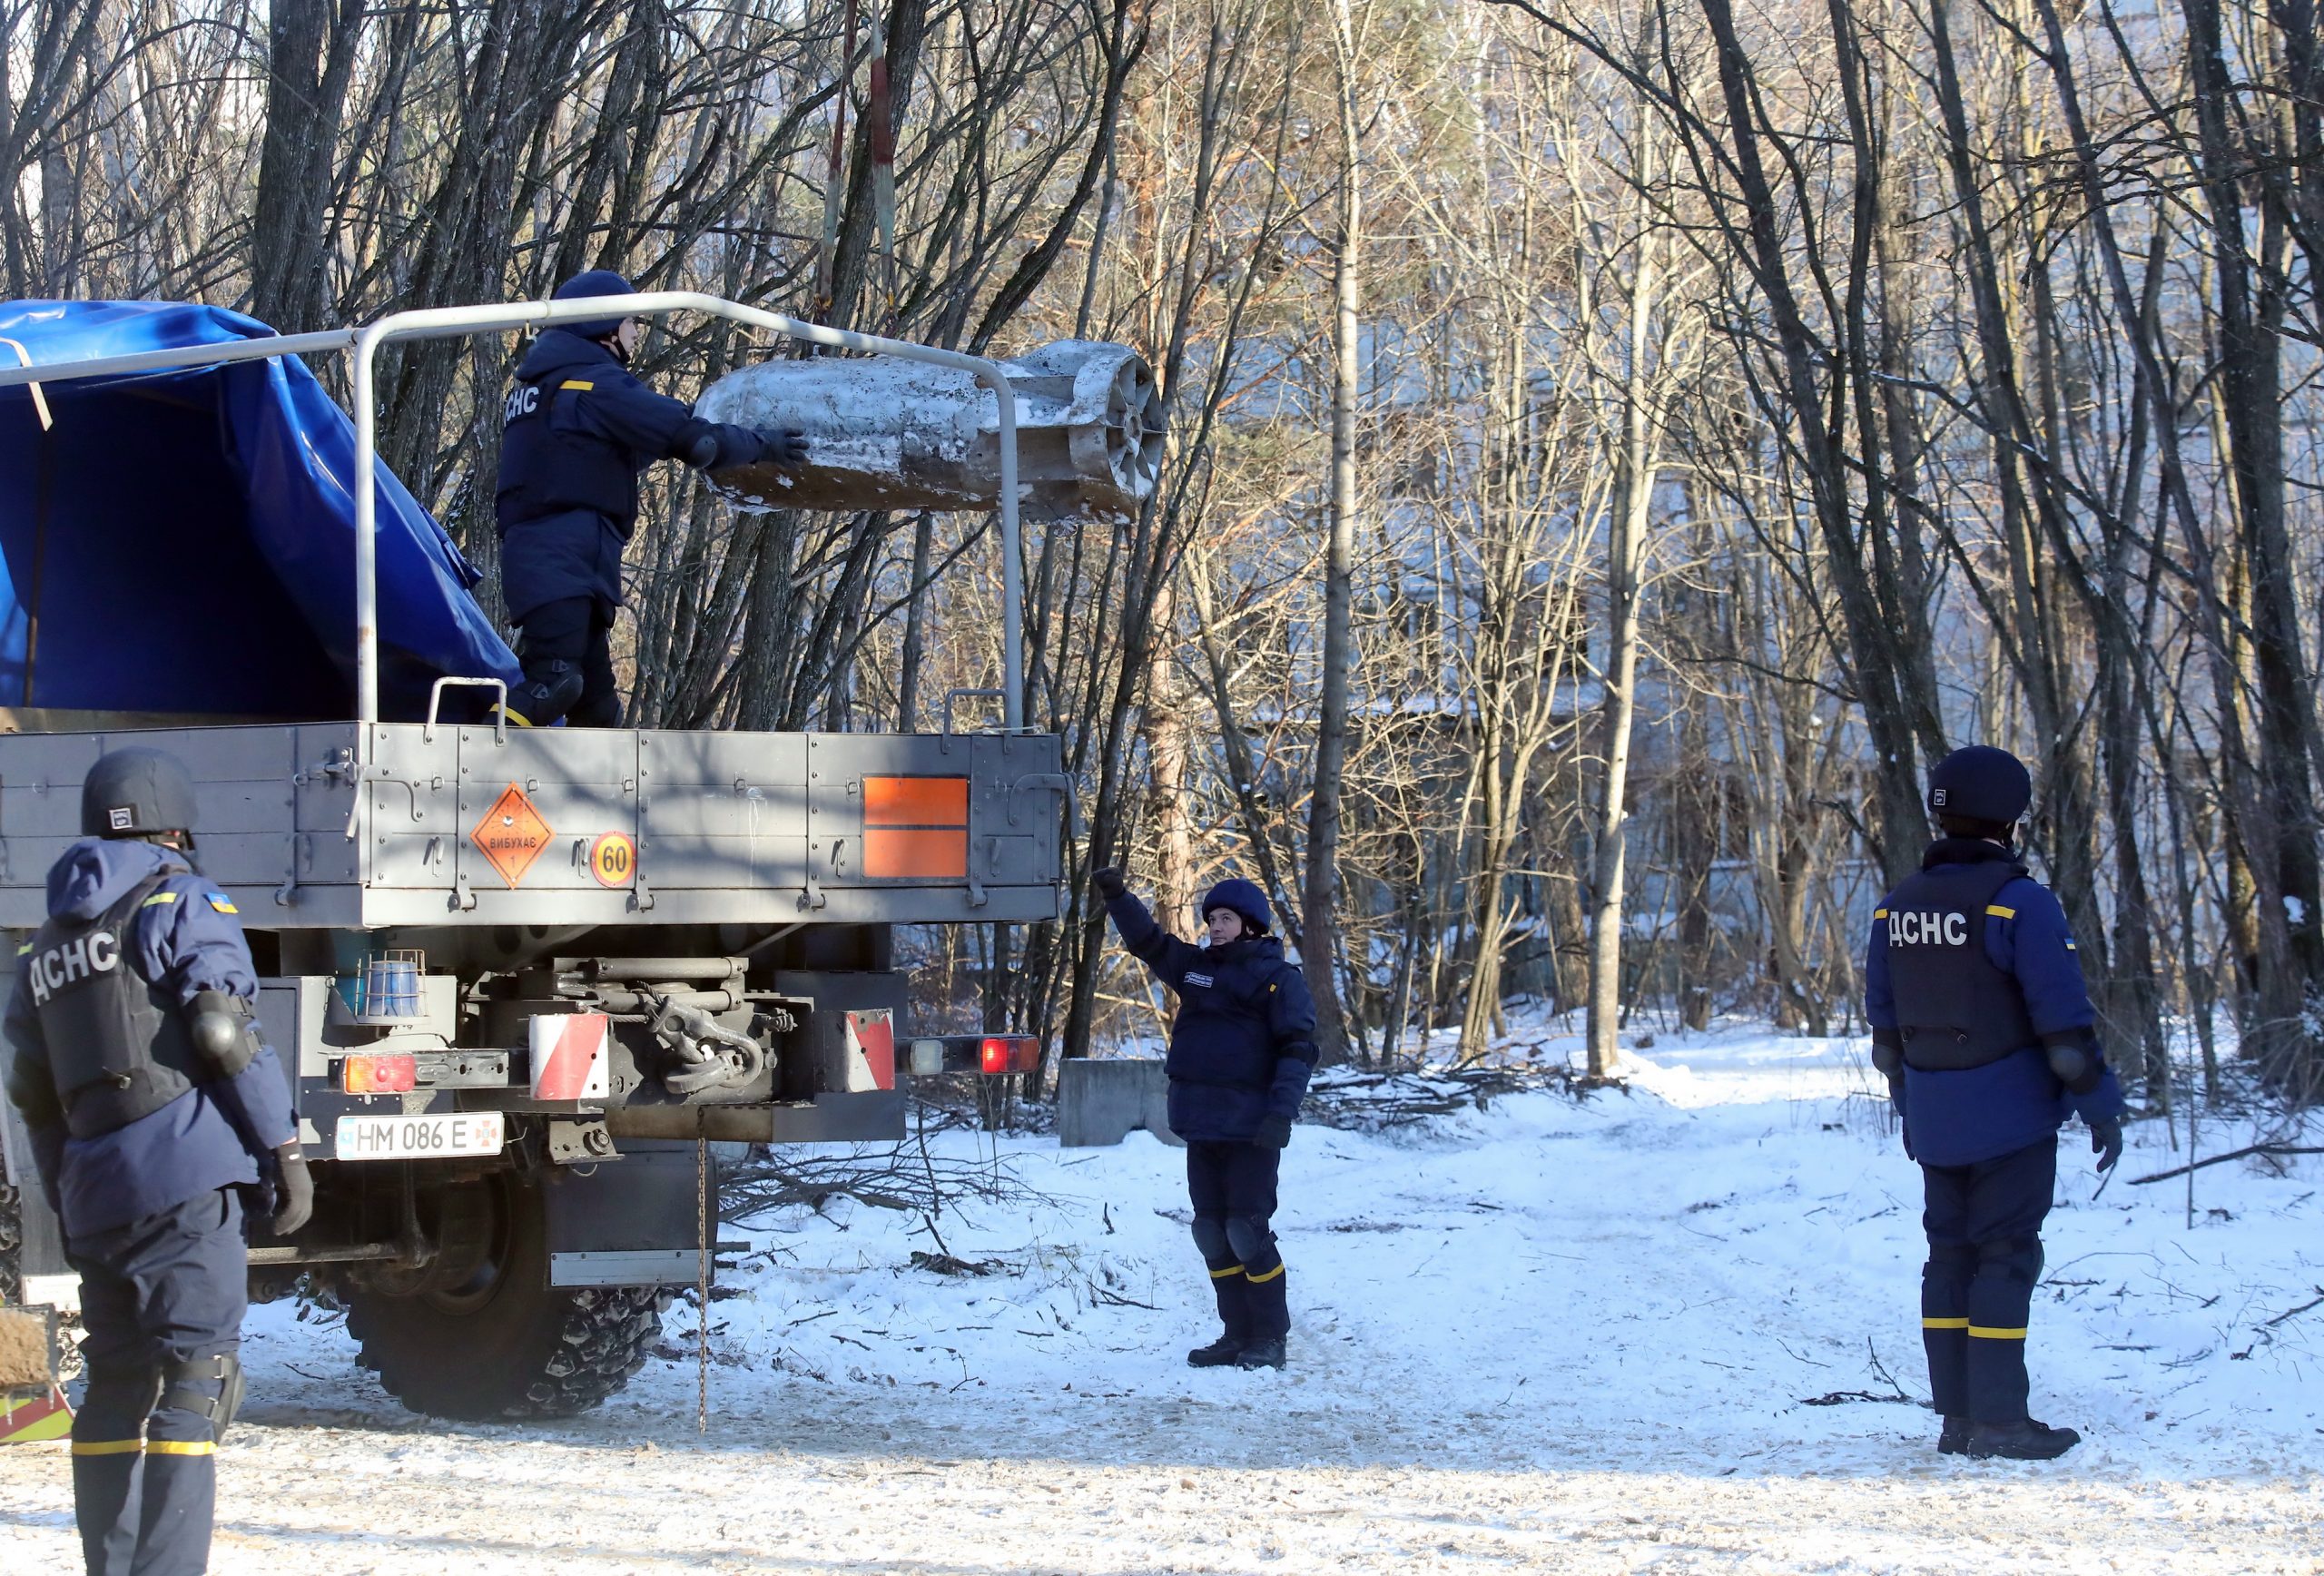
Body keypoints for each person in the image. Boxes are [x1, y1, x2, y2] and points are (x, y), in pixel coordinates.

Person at [2, 748, 308, 1575]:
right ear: (177, 822)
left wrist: (71, 1195)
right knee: (195, 1383)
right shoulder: (180, 900)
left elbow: (32, 1092)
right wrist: (282, 1146)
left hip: (96, 1191)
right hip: (183, 1173)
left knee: (117, 1383)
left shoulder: (46, 947)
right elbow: (219, 1028)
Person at [1864, 745, 2127, 1462]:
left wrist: (1916, 1105)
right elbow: (2064, 1030)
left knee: (1948, 1259)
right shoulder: (2020, 904)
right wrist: (2100, 1104)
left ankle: (1956, 1422)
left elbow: (1885, 1034)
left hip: (1935, 1120)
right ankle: (2003, 1422)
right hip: (2010, 1120)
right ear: (2012, 818)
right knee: (2006, 1258)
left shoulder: (1895, 907)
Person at [493, 269, 808, 727]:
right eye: (631, 322)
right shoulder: (593, 386)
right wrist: (763, 445)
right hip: (565, 557)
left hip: (555, 559)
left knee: (595, 707)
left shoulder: (544, 391)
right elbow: (696, 442)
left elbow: (594, 457)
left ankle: (600, 798)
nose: (636, 334)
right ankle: (460, 748)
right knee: (553, 683)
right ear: (603, 327)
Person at [1093, 867, 1316, 1370]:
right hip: (1202, 1124)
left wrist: (1281, 1114)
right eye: (1211, 917)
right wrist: (1118, 896)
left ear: (1252, 925)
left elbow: (1298, 1050)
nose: (1214, 926)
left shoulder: (1279, 981)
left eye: (1225, 918)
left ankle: (1270, 1338)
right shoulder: (1197, 970)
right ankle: (1236, 1334)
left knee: (1247, 1231)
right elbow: (1149, 943)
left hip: (1252, 1128)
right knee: (1211, 1232)